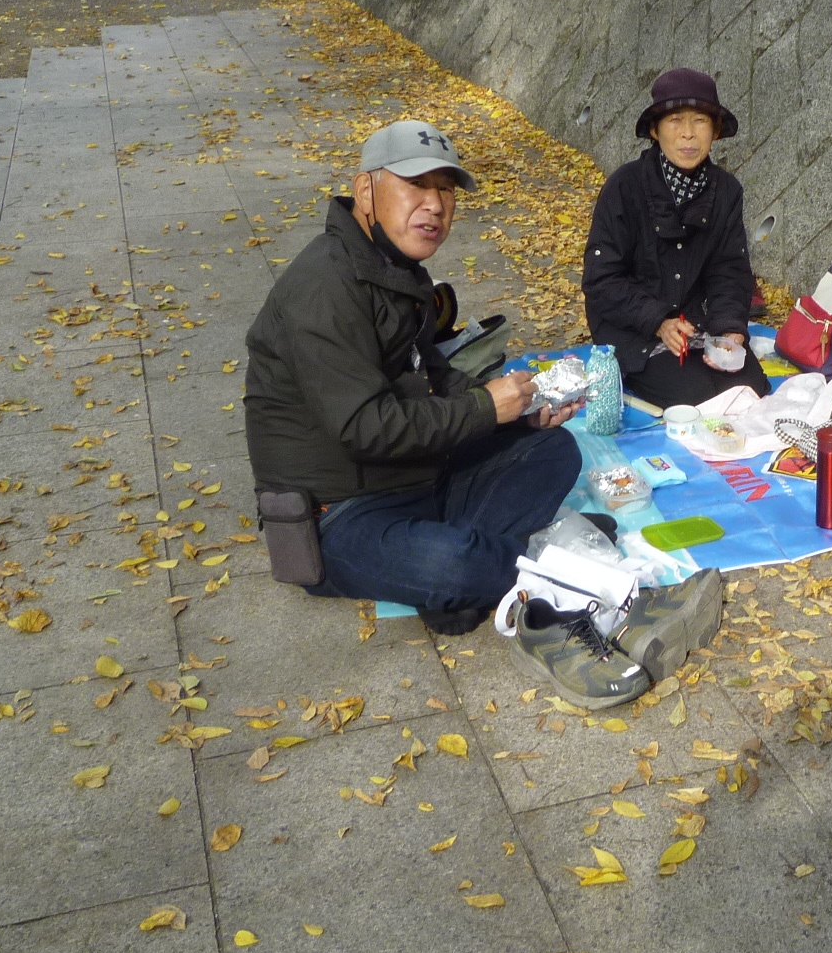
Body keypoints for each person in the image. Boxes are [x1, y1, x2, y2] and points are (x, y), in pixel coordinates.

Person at [243, 120, 581, 635]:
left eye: (445, 190)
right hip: (337, 513)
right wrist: (485, 407)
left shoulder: (396, 268)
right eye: (416, 185)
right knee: (454, 562)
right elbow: (365, 427)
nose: (435, 205)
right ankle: (540, 568)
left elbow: (433, 376)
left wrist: (516, 417)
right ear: (365, 191)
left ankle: (468, 578)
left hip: (414, 476)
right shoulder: (324, 286)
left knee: (553, 449)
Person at [582, 67, 772, 408]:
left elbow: (729, 270)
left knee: (751, 390)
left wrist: (730, 328)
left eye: (700, 121)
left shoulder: (726, 190)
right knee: (695, 399)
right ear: (655, 131)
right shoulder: (624, 186)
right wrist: (658, 321)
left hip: (697, 323)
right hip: (635, 327)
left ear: (715, 131)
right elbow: (602, 279)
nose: (688, 134)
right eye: (675, 121)